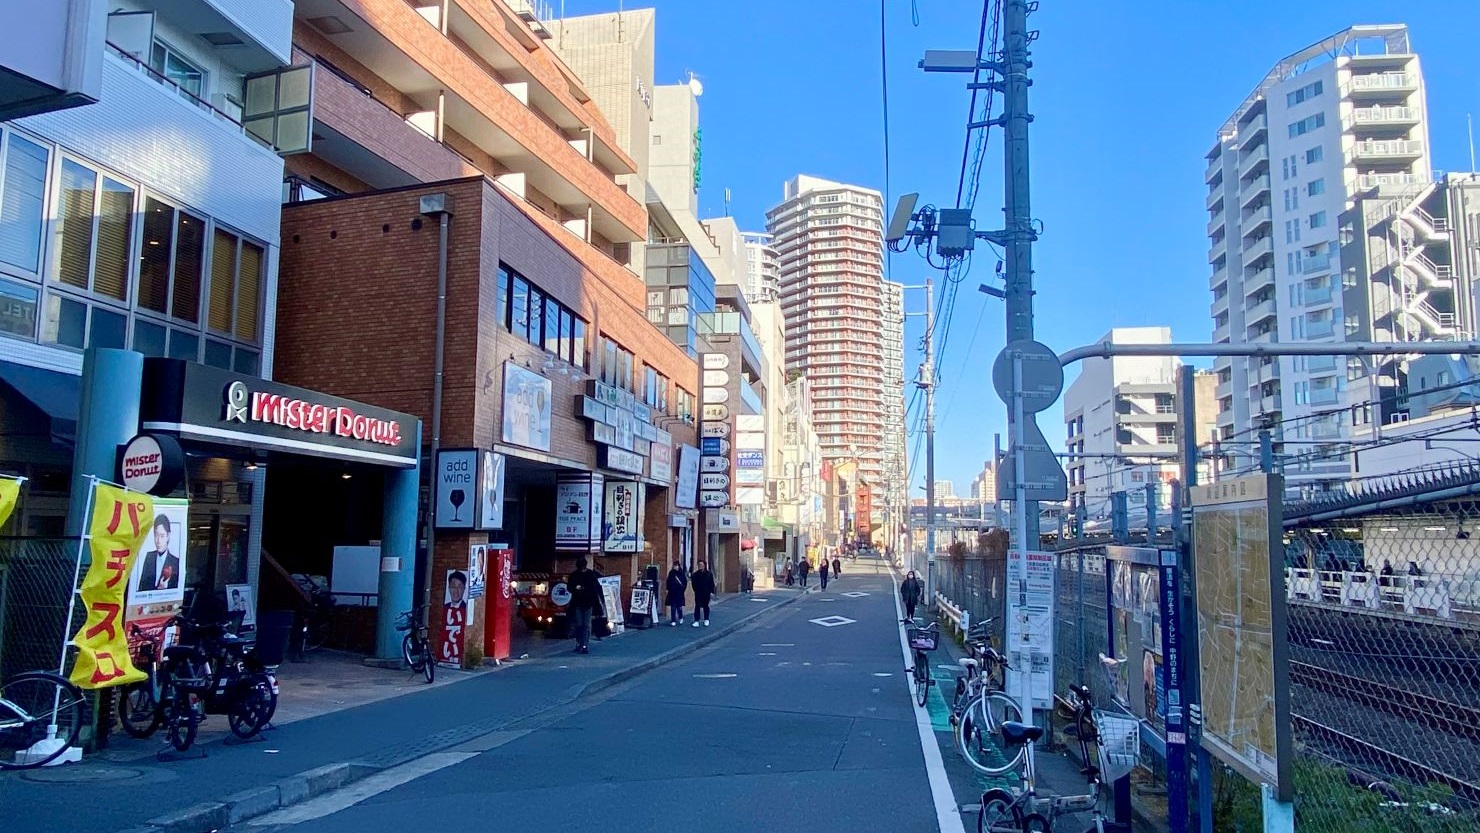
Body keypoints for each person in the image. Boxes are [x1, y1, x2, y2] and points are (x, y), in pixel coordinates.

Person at [566, 557, 603, 653]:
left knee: (582, 624)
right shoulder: (590, 574)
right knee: (584, 625)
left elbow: (569, 588)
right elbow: (596, 589)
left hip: (581, 602)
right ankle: (583, 644)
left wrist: (576, 588)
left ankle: (582, 644)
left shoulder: (576, 575)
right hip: (586, 602)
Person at [136, 515, 181, 593]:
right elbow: (142, 586)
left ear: (168, 536)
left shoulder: (175, 562)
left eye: (162, 536)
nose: (158, 541)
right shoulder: (149, 557)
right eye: (156, 535)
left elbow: (176, 590)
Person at [691, 560, 716, 627]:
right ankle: (696, 621)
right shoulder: (695, 574)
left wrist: (711, 592)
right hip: (698, 592)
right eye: (699, 565)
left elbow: (711, 583)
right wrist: (696, 590)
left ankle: (706, 619)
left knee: (706, 606)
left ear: (704, 565)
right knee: (697, 606)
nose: (700, 566)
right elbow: (693, 584)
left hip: (706, 593)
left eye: (701, 565)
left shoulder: (709, 574)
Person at [665, 560, 688, 626]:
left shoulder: (682, 573)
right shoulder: (671, 573)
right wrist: (667, 589)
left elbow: (685, 582)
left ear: (678, 566)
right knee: (673, 607)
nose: (675, 567)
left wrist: (682, 590)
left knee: (679, 607)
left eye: (676, 566)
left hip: (679, 592)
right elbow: (668, 581)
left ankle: (680, 617)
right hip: (672, 592)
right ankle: (673, 620)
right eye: (674, 566)